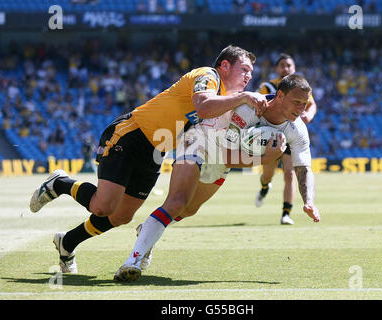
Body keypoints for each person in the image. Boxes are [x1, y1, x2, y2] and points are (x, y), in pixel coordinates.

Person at [29, 45, 268, 274]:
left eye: (251, 72)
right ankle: (59, 183)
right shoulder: (209, 75)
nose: (248, 76)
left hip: (156, 152)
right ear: (225, 65)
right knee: (103, 206)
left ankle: (67, 242)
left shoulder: (228, 97)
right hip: (132, 134)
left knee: (121, 216)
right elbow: (203, 106)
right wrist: (245, 97)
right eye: (244, 69)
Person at [114, 74, 320, 282]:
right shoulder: (250, 108)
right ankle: (132, 261)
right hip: (200, 141)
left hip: (222, 161)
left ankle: (148, 230)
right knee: (176, 203)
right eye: (297, 102)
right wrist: (265, 158)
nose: (301, 109)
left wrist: (309, 201)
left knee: (189, 210)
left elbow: (304, 169)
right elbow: (225, 153)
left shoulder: (298, 129)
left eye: (304, 104)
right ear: (281, 95)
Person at [255, 53, 317, 225]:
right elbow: (259, 104)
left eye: (289, 65)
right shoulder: (267, 86)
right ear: (277, 68)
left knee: (290, 173)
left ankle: (286, 213)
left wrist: (309, 116)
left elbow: (312, 104)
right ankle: (265, 186)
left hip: (290, 134)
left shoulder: (300, 88)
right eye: (282, 65)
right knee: (268, 174)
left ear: (294, 68)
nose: (286, 68)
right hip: (269, 134)